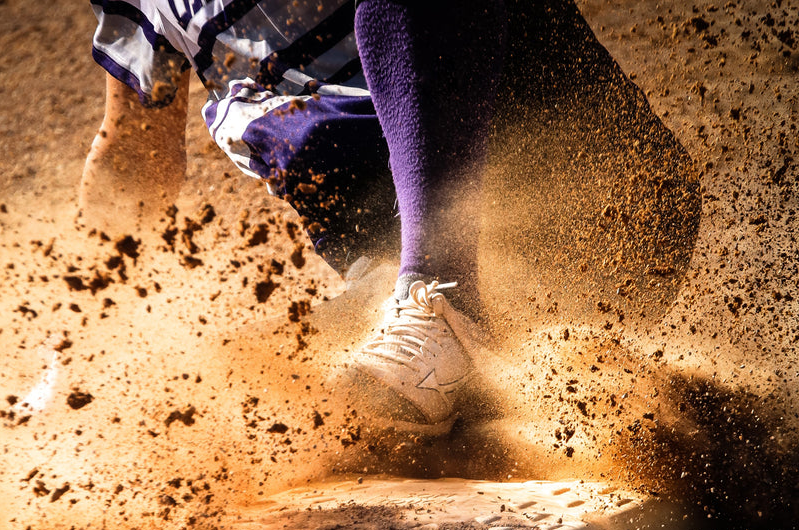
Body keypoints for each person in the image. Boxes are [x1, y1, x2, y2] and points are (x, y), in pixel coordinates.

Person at [80, 0, 507, 438]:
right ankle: (409, 313)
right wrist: (90, 331)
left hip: (502, 144)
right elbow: (134, 147)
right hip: (377, 247)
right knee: (207, 388)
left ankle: (447, 302)